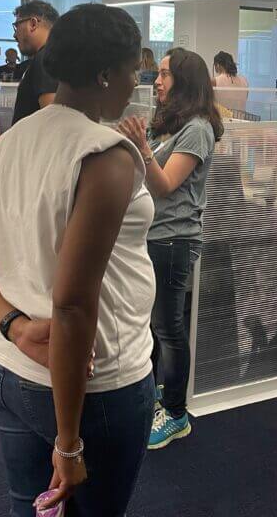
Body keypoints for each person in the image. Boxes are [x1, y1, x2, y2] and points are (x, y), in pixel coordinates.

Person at [0, 3, 155, 517]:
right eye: (132, 71)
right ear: (105, 74)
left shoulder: (7, 144)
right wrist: (68, 442)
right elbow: (70, 304)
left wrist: (15, 326)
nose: (135, 84)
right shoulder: (105, 154)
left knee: (31, 509)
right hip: (90, 384)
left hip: (4, 363)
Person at [118, 48, 223, 450]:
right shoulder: (171, 123)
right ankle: (157, 394)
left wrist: (141, 147)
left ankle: (177, 414)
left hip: (174, 238)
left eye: (164, 74)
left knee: (168, 327)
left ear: (184, 80)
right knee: (152, 324)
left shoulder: (198, 128)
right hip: (153, 234)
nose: (156, 81)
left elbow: (164, 185)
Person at [11, 0, 59, 125]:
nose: (14, 35)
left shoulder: (45, 59)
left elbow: (52, 120)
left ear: (33, 24)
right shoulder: (55, 55)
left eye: (17, 26)